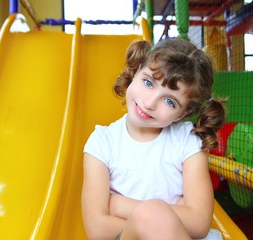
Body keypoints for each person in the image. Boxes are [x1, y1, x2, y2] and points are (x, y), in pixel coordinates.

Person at [81, 38, 226, 240]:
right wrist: (174, 212)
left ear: (183, 114)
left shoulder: (188, 140)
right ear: (137, 70)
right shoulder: (102, 143)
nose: (149, 103)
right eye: (148, 82)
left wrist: (118, 205)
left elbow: (199, 223)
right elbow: (97, 230)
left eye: (169, 101)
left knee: (153, 213)